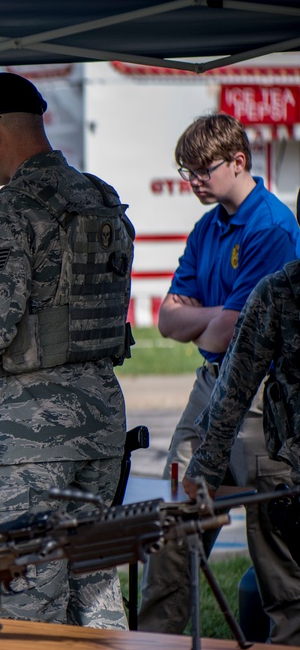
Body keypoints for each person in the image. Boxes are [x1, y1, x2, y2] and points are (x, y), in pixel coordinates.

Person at [0, 72, 134, 629]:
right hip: (99, 422)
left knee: (23, 599)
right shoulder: (102, 200)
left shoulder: (8, 213)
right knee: (95, 591)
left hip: (27, 437)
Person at [138, 113, 300, 640]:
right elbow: (167, 319)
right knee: (176, 522)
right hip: (209, 387)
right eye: (185, 172)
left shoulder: (272, 227)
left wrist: (205, 318)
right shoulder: (208, 228)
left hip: (261, 398)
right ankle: (157, 639)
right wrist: (213, 317)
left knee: (273, 545)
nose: (193, 182)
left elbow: (231, 335)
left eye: (202, 170)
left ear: (239, 161)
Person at [182, 260, 300, 644]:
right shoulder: (279, 290)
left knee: (292, 612)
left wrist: (203, 475)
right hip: (289, 484)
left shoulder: (280, 289)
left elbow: (233, 390)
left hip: (289, 478)